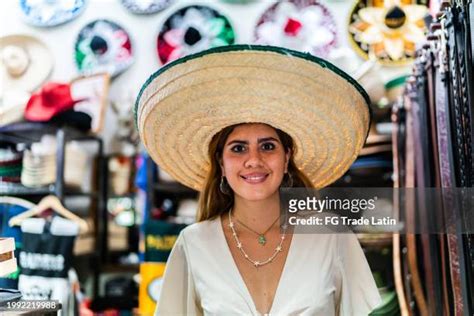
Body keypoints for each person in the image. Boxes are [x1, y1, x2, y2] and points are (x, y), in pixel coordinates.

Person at [135, 45, 382, 315]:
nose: (254, 160)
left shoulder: (332, 237)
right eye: (238, 148)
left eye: (267, 146)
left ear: (286, 158)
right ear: (221, 163)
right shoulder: (193, 245)